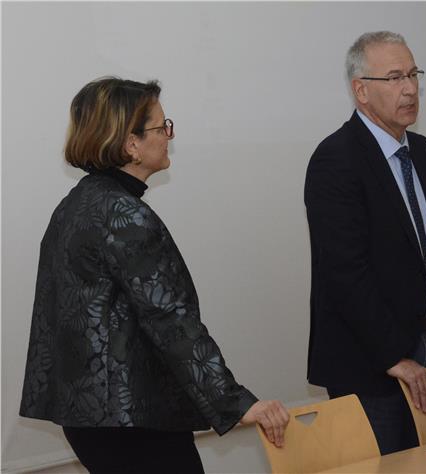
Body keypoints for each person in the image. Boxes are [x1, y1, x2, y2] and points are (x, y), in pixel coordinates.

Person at [19, 77, 290, 473]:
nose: (169, 136)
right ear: (131, 144)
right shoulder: (124, 214)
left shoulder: (76, 205)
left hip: (91, 420)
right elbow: (170, 320)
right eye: (162, 127)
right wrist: (235, 402)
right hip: (133, 422)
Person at [304, 31, 426, 455]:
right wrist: (394, 357)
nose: (410, 89)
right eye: (395, 77)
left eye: (414, 75)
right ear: (361, 90)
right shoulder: (336, 159)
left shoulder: (421, 150)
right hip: (371, 363)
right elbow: (345, 273)